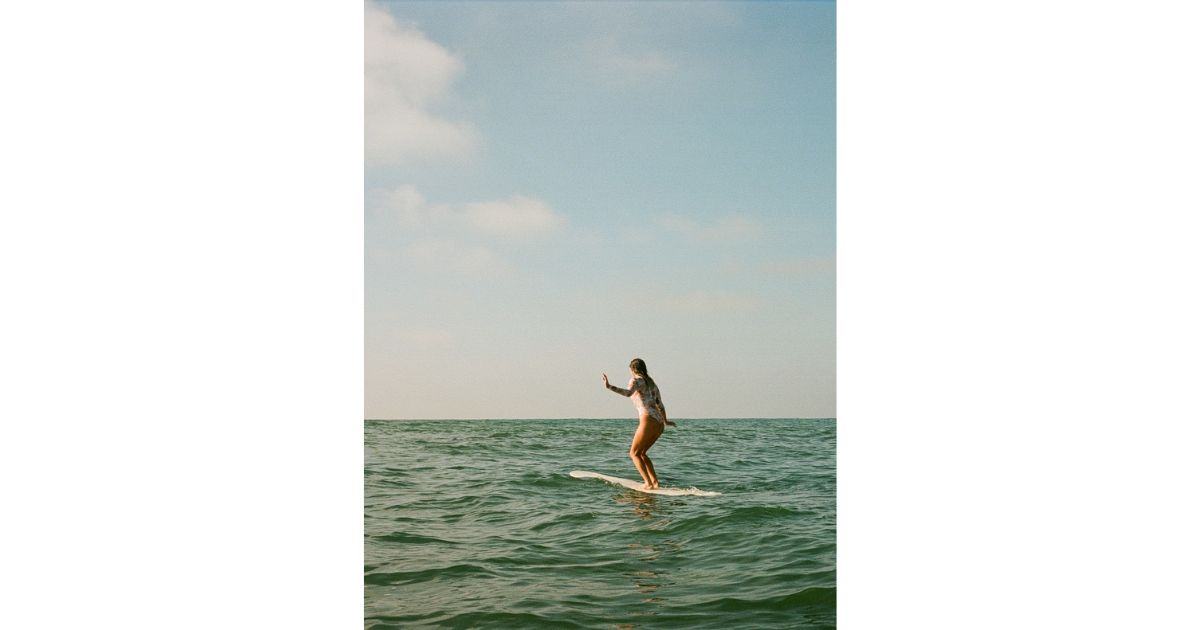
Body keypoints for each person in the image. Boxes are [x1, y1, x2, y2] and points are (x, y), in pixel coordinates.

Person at [602, 358, 677, 490]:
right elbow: (660, 404)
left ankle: (648, 483)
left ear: (633, 369)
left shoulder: (635, 380)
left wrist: (609, 386)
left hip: (648, 419)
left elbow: (628, 393)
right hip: (659, 423)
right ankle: (655, 483)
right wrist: (666, 421)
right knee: (642, 453)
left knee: (634, 453)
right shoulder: (652, 383)